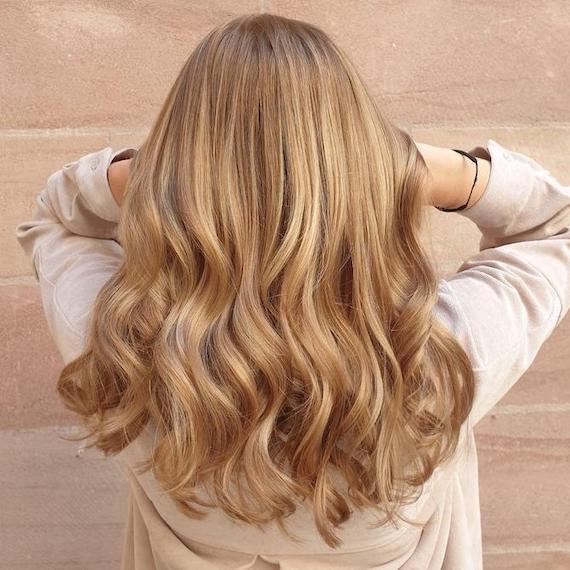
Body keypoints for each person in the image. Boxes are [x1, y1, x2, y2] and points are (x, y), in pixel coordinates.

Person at [14, 12, 569, 570]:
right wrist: (425, 171)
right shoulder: (442, 358)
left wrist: (158, 178)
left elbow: (57, 221)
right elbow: (557, 226)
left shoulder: (120, 352)